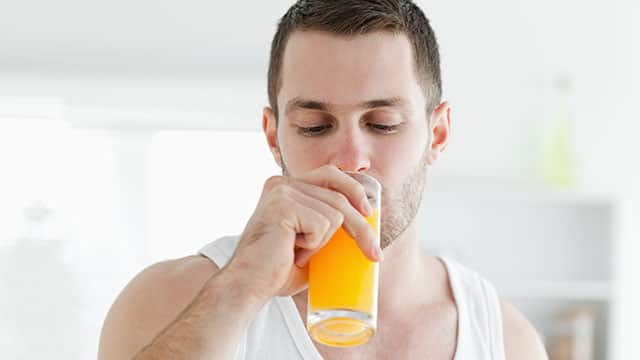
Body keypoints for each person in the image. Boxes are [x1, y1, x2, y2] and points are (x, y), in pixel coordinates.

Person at [98, 1, 548, 359]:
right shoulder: (167, 303)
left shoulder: (505, 342)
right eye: (315, 125)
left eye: (383, 123)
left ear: (438, 133)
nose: (351, 160)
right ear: (274, 137)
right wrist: (239, 291)